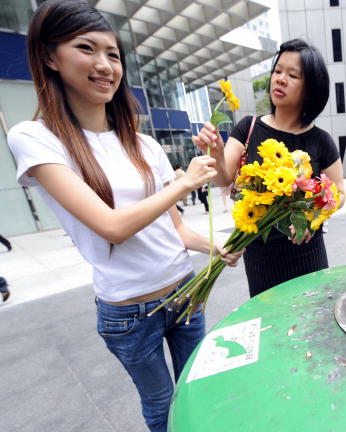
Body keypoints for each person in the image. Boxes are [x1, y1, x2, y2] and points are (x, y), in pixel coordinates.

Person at [7, 2, 242, 430]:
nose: (104, 65)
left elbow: (174, 229)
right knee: (161, 405)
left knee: (200, 390)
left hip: (186, 291)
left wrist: (216, 246)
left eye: (113, 55)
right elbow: (111, 226)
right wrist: (183, 183)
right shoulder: (35, 138)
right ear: (49, 58)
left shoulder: (144, 144)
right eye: (86, 48)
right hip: (130, 314)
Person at [194, 39, 346, 298]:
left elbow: (339, 193)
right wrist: (217, 154)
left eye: (292, 75)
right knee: (269, 326)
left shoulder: (321, 141)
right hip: (261, 258)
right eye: (277, 71)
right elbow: (223, 179)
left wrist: (313, 216)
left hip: (308, 256)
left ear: (310, 87)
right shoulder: (248, 127)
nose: (280, 79)